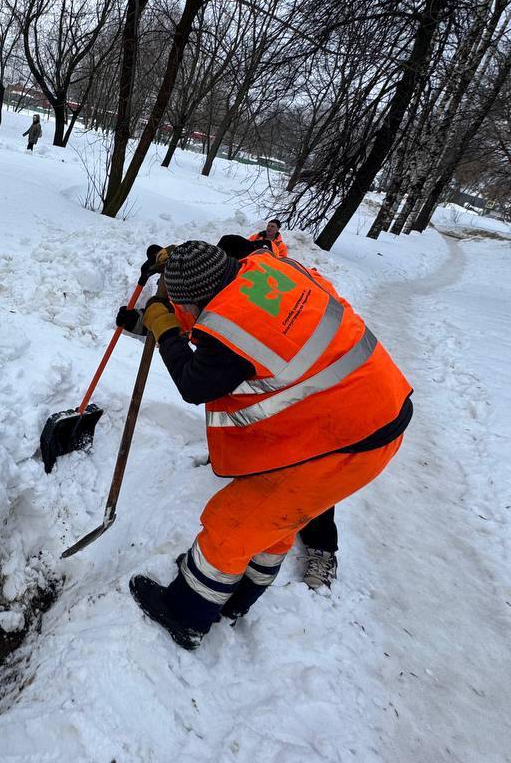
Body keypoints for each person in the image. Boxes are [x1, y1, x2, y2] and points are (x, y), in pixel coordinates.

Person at [117, 240, 412, 651]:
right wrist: (174, 275)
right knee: (273, 524)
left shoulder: (230, 332)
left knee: (232, 525)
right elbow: (222, 320)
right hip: (368, 409)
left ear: (196, 302)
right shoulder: (266, 268)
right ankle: (234, 596)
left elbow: (194, 382)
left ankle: (186, 614)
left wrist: (164, 328)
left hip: (349, 441)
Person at [217, 234, 339, 587]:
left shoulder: (271, 284)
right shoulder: (267, 274)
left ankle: (322, 550)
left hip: (327, 386)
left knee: (313, 473)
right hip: (303, 378)